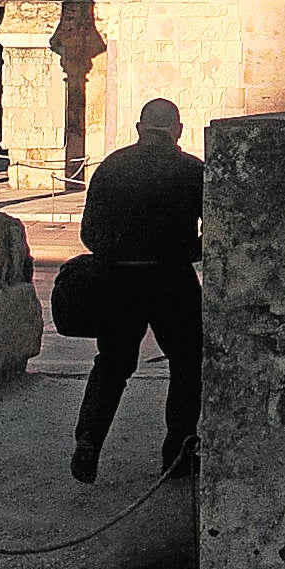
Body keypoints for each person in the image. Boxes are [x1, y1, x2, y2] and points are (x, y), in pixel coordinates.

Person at [70, 97, 204, 484]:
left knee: (111, 365)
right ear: (177, 130)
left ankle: (89, 440)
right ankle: (177, 454)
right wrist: (182, 251)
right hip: (171, 279)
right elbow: (212, 234)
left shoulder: (112, 166)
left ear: (139, 128)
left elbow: (89, 233)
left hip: (119, 280)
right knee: (187, 364)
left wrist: (118, 254)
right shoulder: (192, 171)